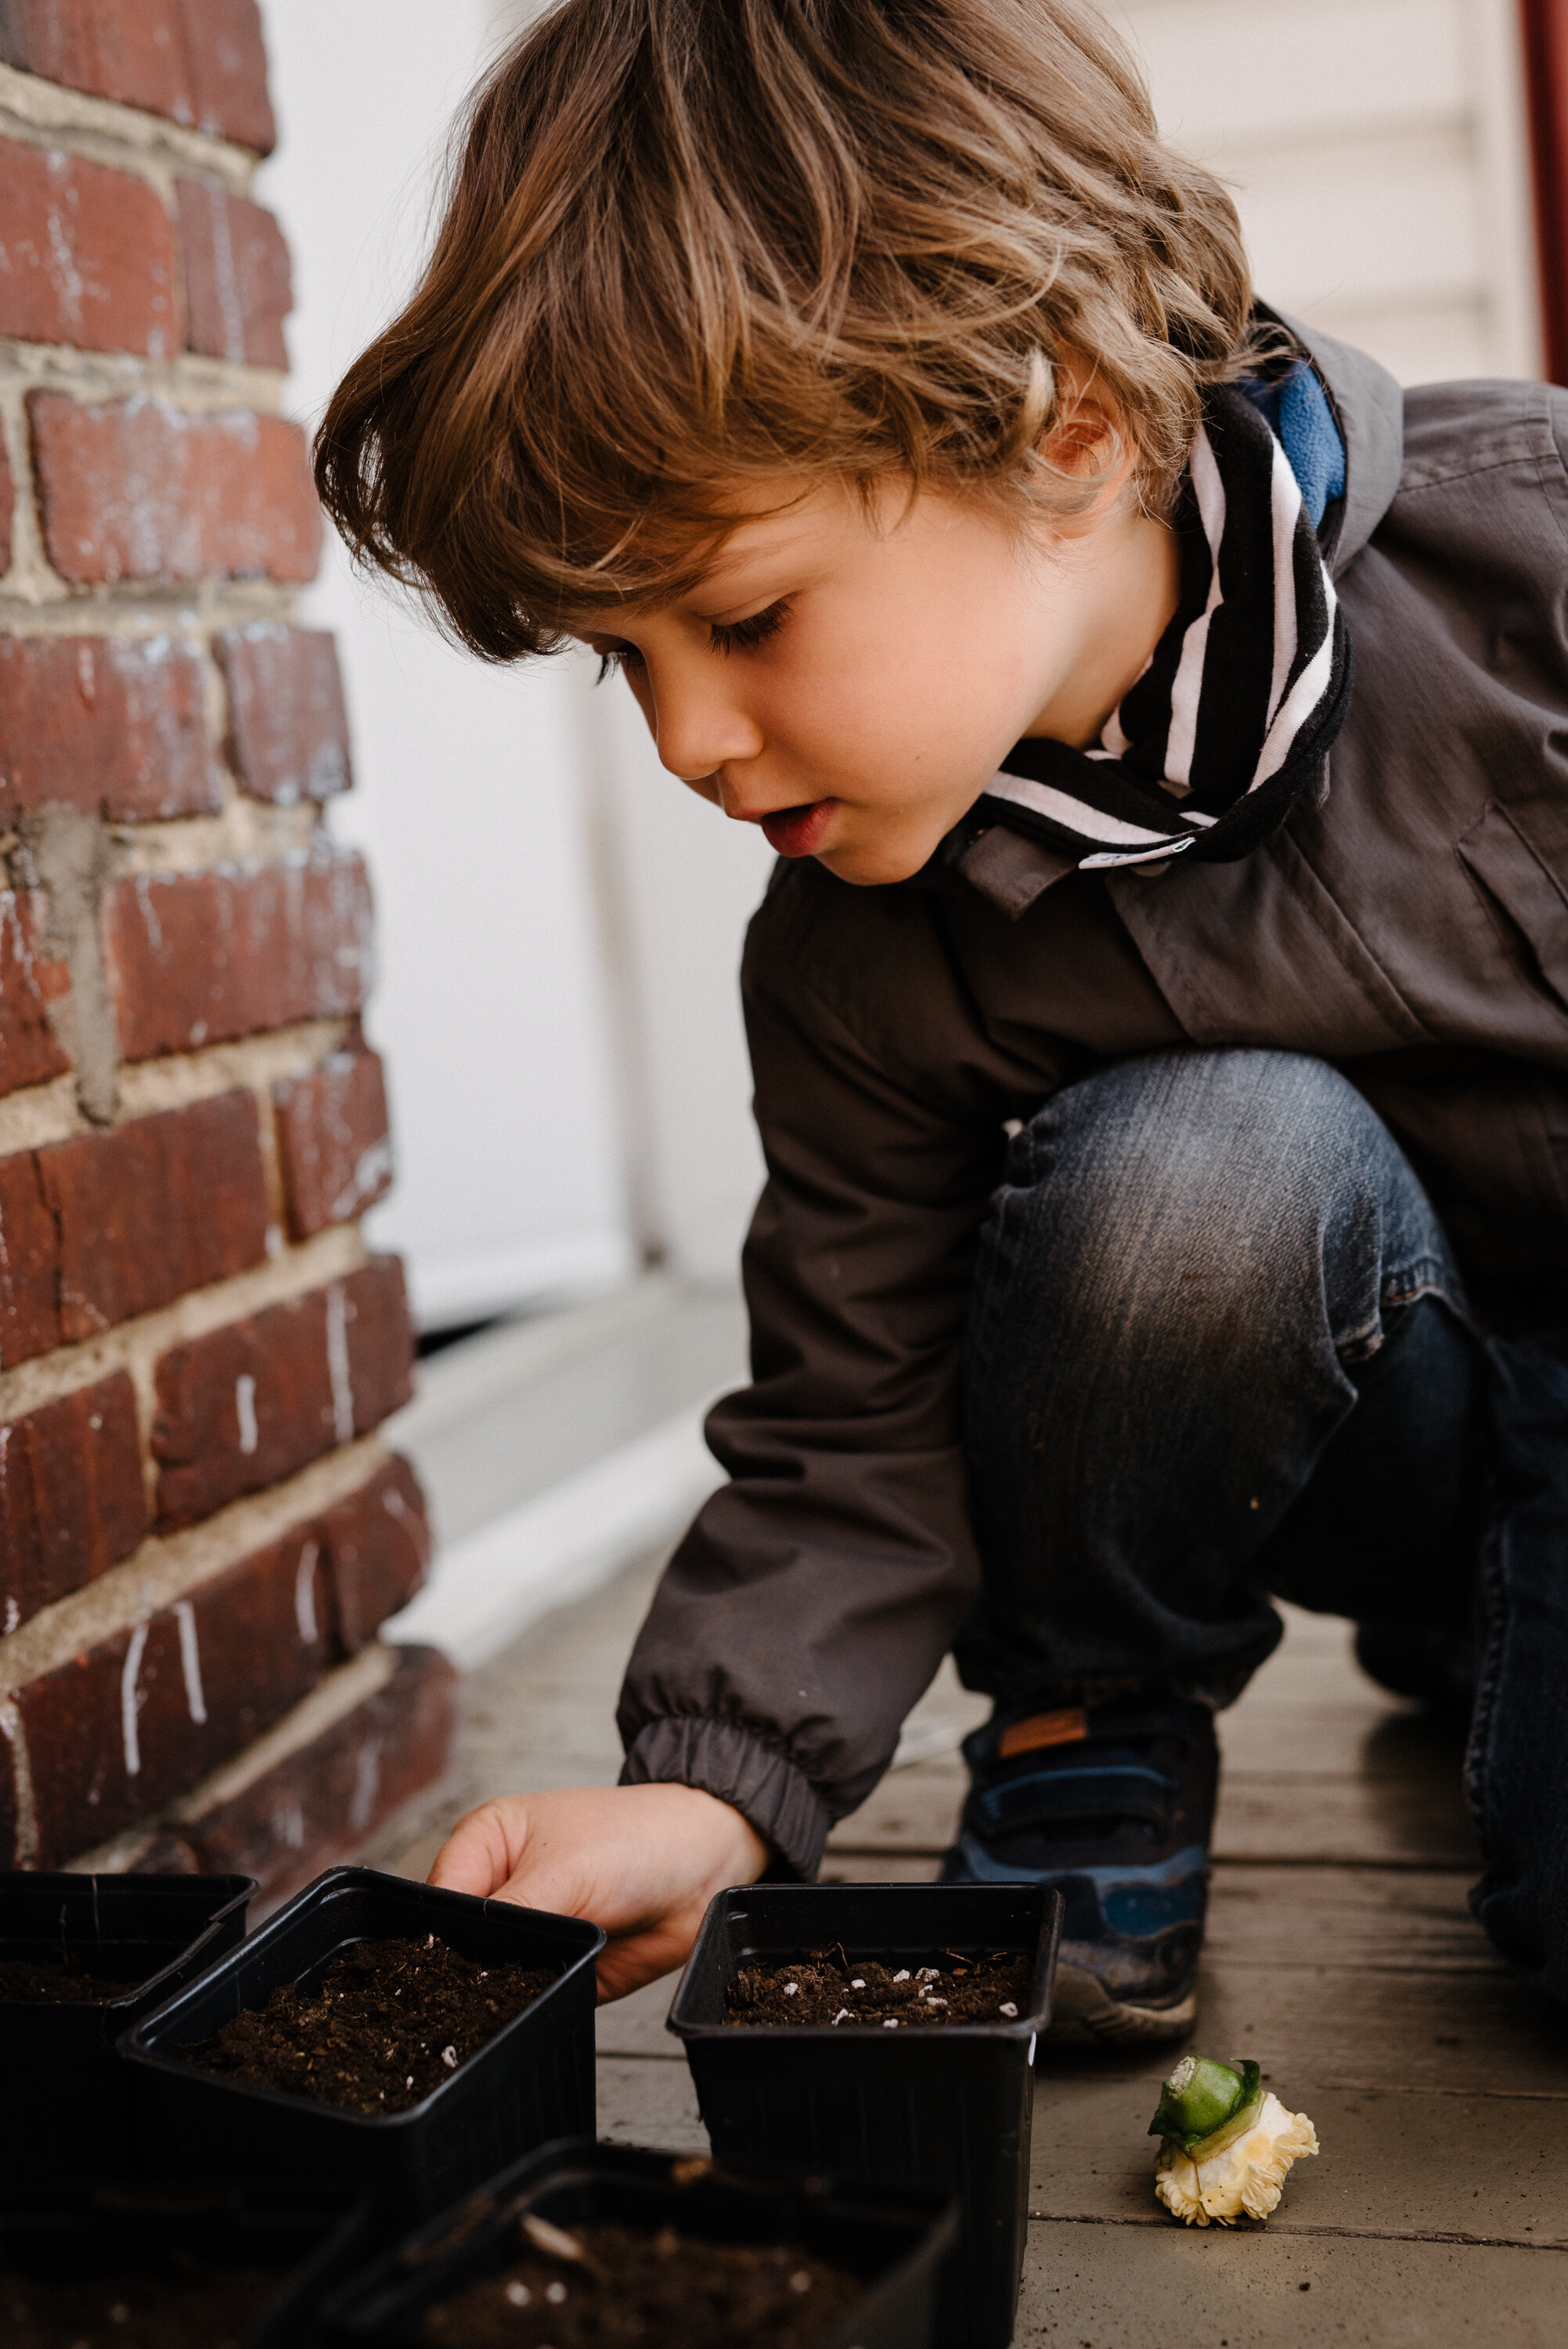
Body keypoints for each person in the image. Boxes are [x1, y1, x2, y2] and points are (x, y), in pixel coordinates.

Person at [316, 0, 1568, 2042]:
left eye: (737, 621)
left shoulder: (1529, 566)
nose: (690, 744)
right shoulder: (855, 949)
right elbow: (851, 1412)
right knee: (1199, 1170)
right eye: (615, 665)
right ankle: (1095, 1704)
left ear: (1062, 420)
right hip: (1362, 1401)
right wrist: (708, 1796)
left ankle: (1490, 1630)